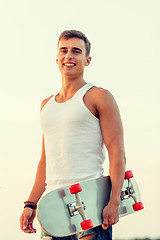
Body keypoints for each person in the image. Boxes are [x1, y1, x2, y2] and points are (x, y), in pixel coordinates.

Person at [20, 30, 126, 240]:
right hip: (53, 209)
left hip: (90, 205)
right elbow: (45, 161)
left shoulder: (99, 96)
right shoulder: (46, 105)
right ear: (57, 58)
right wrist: (31, 203)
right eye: (64, 51)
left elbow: (117, 152)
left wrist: (114, 201)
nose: (69, 56)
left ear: (87, 60)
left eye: (76, 51)